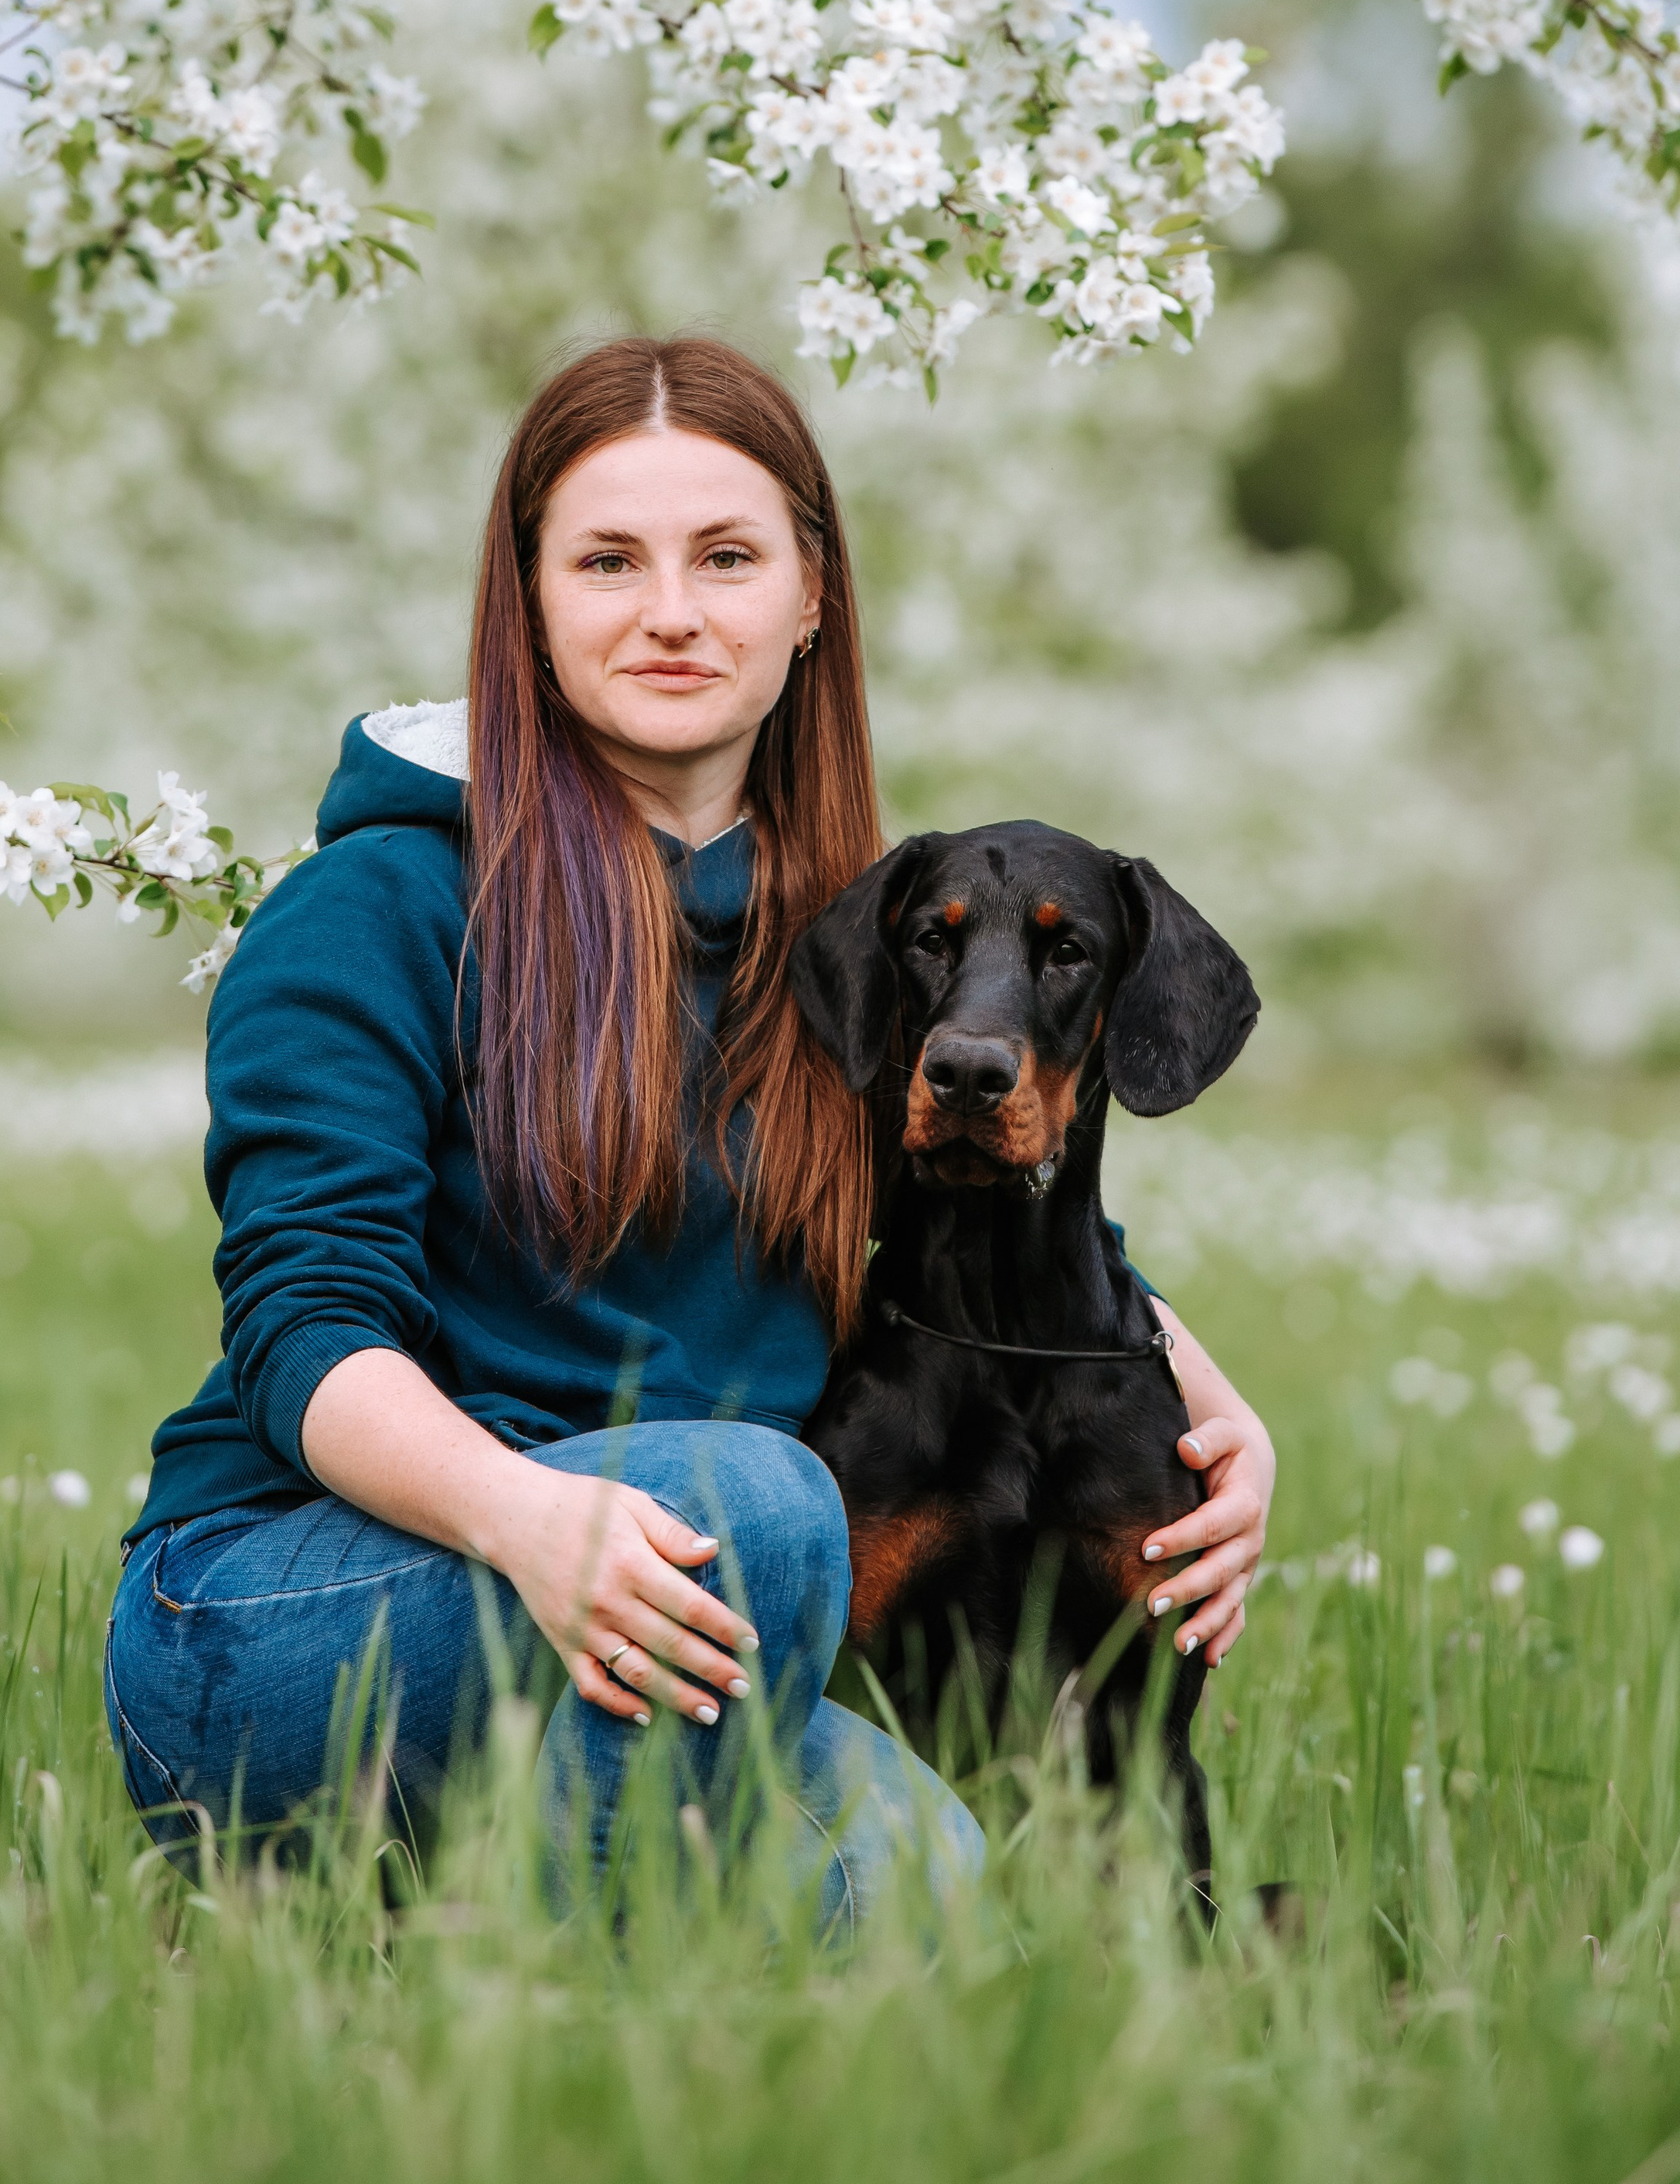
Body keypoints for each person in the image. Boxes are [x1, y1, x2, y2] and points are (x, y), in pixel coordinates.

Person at [104, 336, 1276, 1930]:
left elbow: (983, 1205)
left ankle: (447, 1915)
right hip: (294, 1608)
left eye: (725, 557)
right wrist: (526, 1516)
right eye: (606, 559)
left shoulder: (850, 944)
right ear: (526, 601)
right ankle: (525, 2005)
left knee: (943, 1898)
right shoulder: (370, 907)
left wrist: (1217, 1424)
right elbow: (305, 1331)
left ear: (810, 599)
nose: (669, 610)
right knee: (758, 1499)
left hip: (683, 1610)